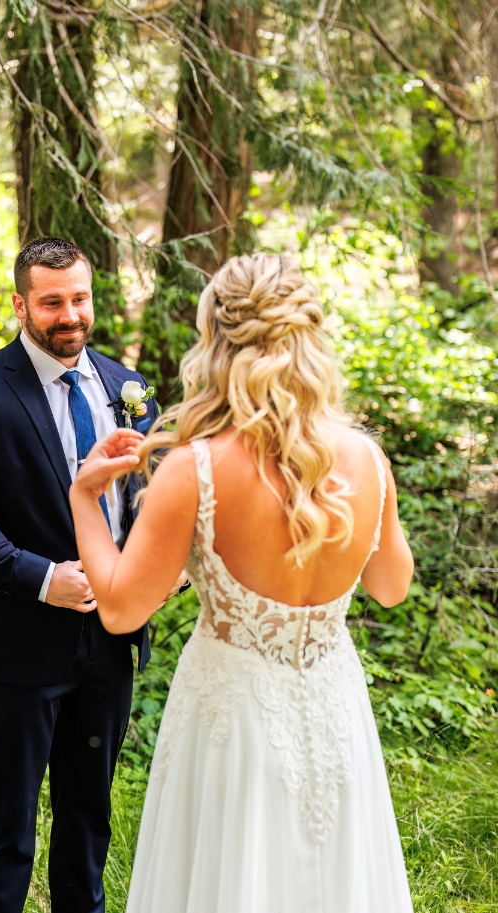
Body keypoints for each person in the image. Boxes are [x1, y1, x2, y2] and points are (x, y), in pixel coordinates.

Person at [69, 253, 416, 913]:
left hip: (234, 722)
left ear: (216, 342)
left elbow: (118, 609)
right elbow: (392, 585)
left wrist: (85, 499)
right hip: (335, 711)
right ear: (311, 337)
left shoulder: (195, 469)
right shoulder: (366, 459)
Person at [0, 237, 165, 913]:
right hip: (19, 638)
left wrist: (152, 571)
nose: (70, 315)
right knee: (6, 828)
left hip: (109, 638)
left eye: (80, 298)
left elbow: (150, 500)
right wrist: (38, 576)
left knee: (89, 817)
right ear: (20, 304)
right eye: (52, 301)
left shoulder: (126, 388)